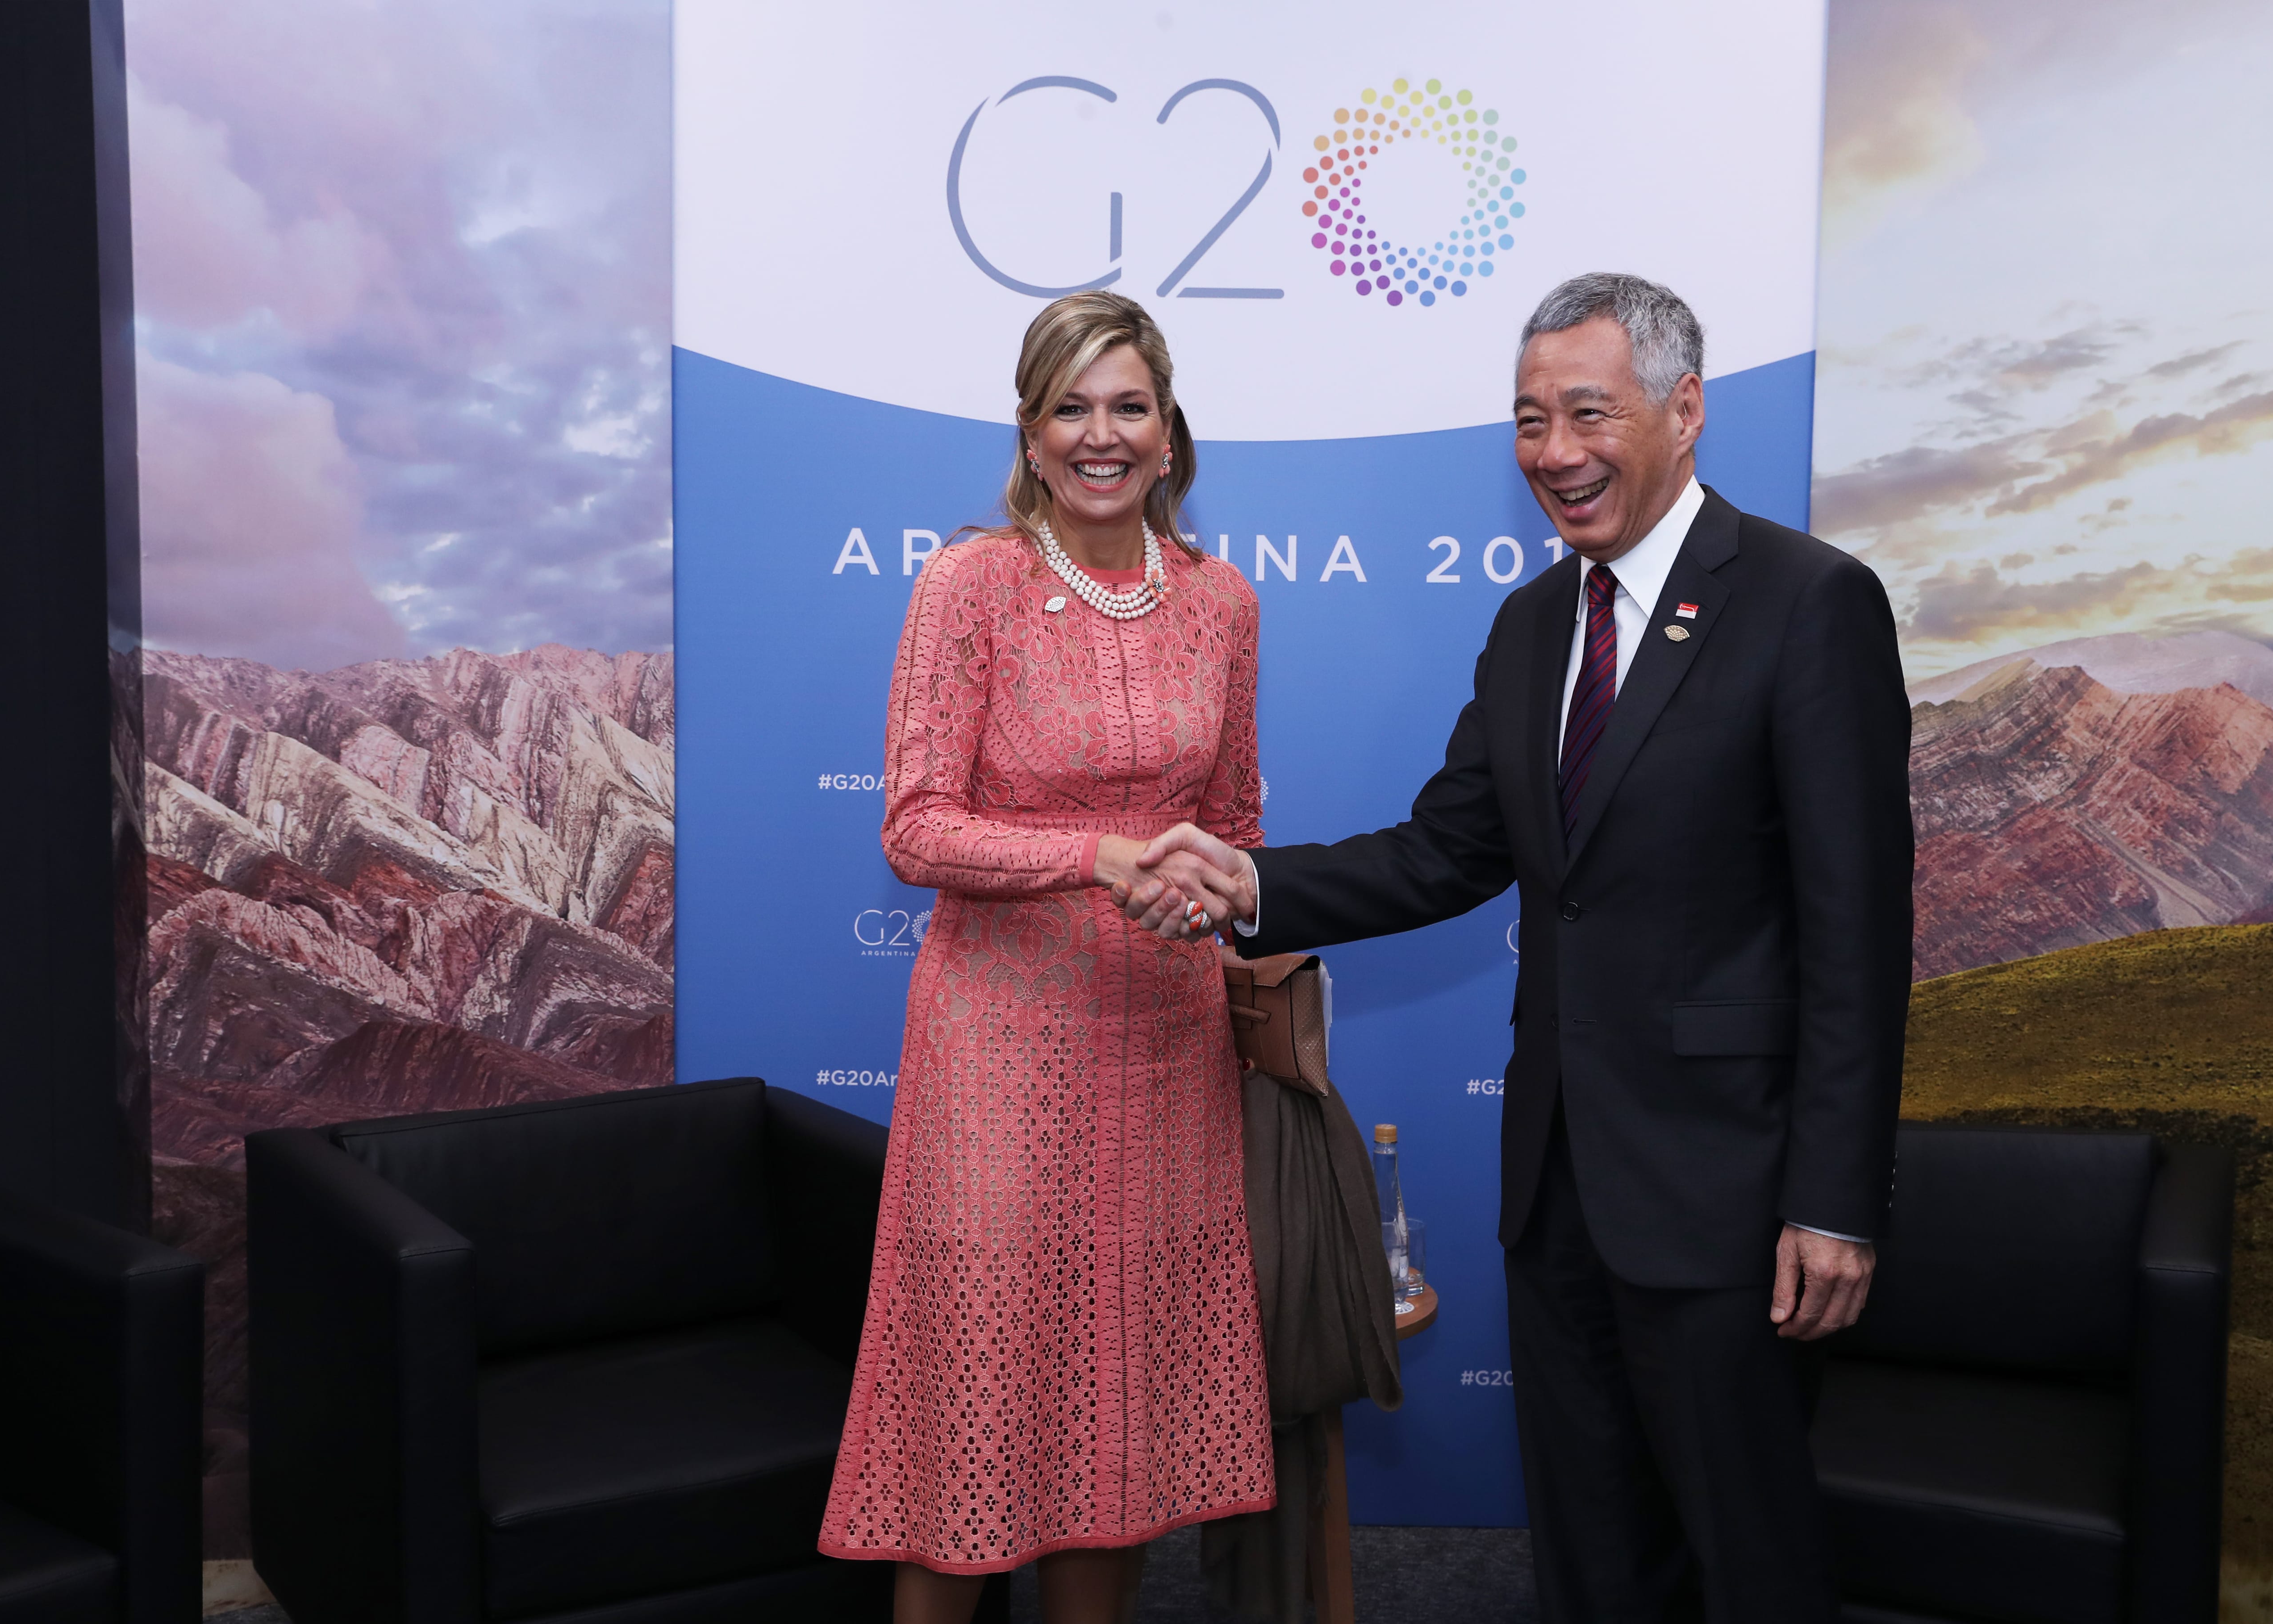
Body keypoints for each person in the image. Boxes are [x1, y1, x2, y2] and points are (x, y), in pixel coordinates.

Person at [1118, 272, 1914, 1622]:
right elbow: (1448, 849)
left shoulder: (1806, 602)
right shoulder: (1535, 623)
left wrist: (1830, 1200)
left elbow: (1857, 932)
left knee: (1746, 1553)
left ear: (1685, 409)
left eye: (1585, 413)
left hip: (1728, 1192)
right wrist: (1249, 882)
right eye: (1528, 419)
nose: (1553, 452)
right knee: (1591, 1545)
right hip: (1556, 1185)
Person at [818, 291, 1272, 1624]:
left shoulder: (1222, 603)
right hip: (997, 1050)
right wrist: (1097, 859)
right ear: (1027, 434)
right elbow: (914, 826)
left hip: (1166, 1048)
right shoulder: (973, 586)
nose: (1101, 434)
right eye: (1070, 407)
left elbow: (1239, 815)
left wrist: (1206, 886)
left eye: (1127, 405)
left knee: (1118, 1413)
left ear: (1169, 433)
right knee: (972, 1399)